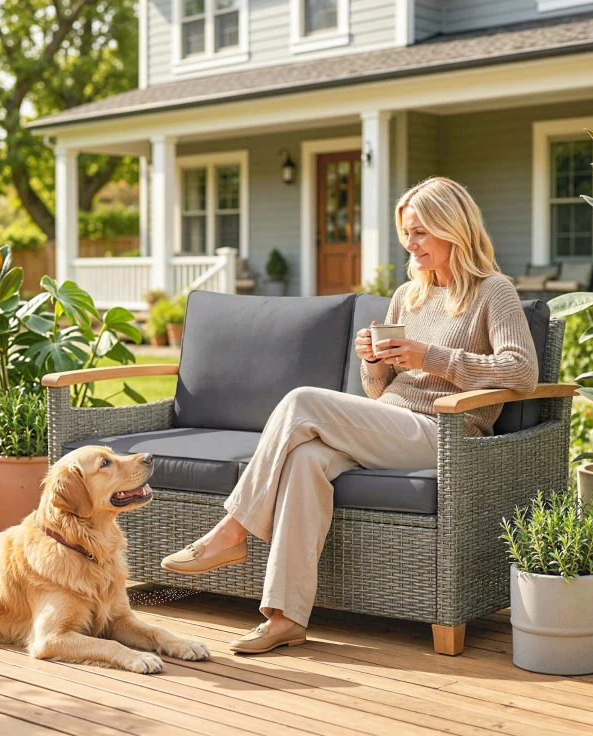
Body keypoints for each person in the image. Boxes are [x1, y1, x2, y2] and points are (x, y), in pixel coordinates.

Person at [160, 176, 538, 655]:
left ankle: (234, 528)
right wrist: (374, 361)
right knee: (305, 462)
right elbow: (378, 391)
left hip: (444, 431)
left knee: (302, 401)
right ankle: (285, 617)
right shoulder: (409, 295)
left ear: (452, 227)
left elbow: (521, 371)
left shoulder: (492, 291)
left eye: (420, 231)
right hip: (392, 424)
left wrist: (431, 358)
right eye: (407, 232)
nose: (410, 243)